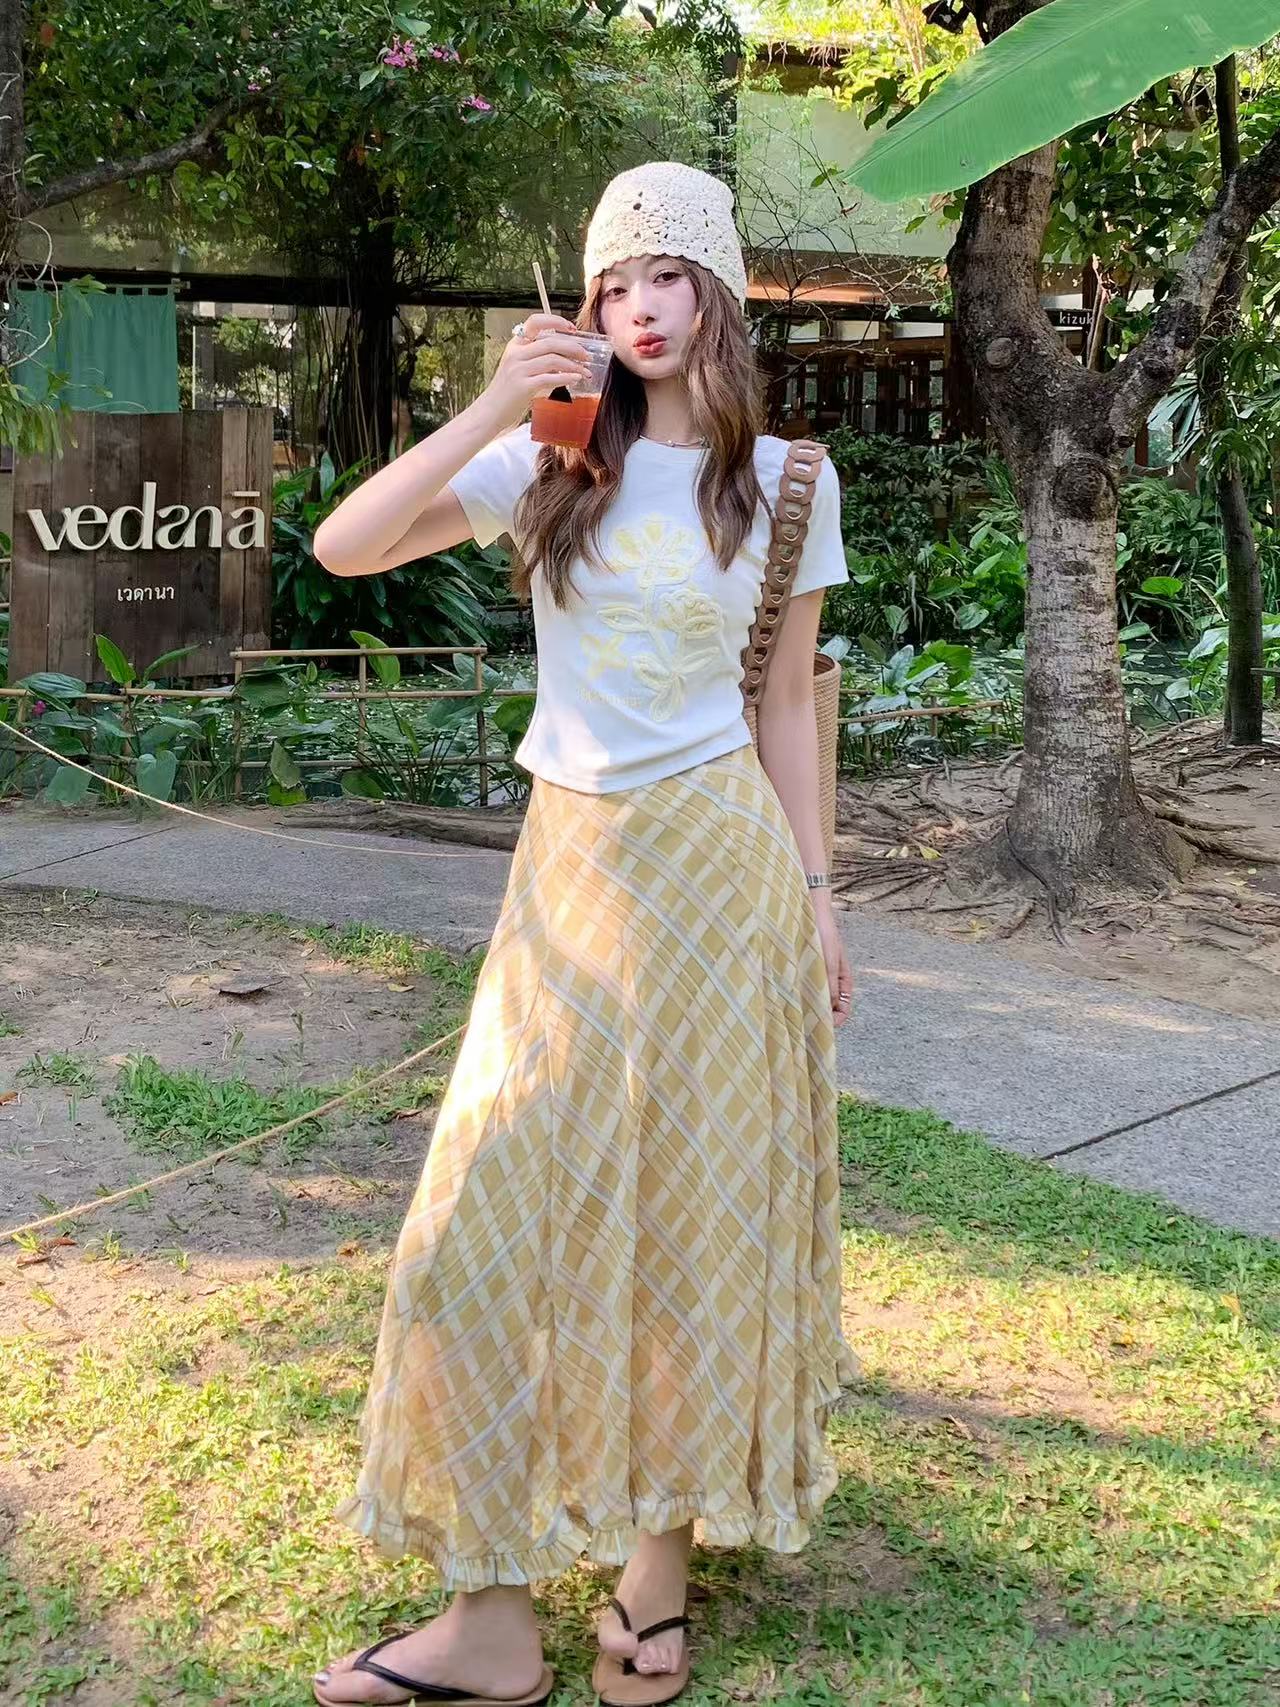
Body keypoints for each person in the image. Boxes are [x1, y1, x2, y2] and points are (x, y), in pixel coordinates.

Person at [309, 159, 861, 1707]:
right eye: (614, 282)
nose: (639, 308)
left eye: (667, 275)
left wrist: (821, 900)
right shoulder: (560, 452)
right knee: (475, 1228)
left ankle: (654, 1578)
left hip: (724, 882)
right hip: (569, 880)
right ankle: (489, 1621)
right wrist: (499, 402)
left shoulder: (788, 483)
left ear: (718, 292)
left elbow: (786, 711)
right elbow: (348, 547)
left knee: (696, 1219)